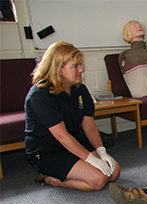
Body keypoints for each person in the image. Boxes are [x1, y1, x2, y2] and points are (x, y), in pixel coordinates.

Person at [24, 41, 120, 191]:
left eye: (80, 65)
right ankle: (53, 180)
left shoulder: (79, 89)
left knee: (113, 173)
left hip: (74, 141)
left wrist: (101, 151)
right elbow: (61, 136)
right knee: (99, 180)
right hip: (49, 150)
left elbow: (88, 125)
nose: (81, 70)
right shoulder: (40, 96)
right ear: (58, 69)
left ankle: (76, 170)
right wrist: (91, 160)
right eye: (75, 66)